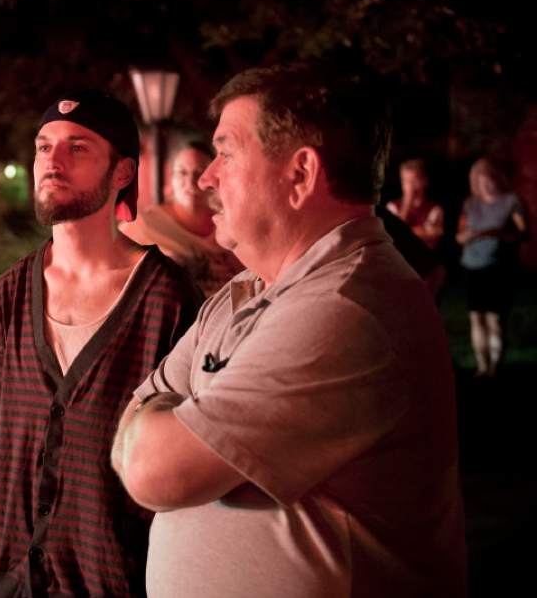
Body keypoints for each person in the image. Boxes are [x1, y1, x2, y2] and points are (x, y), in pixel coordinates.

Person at [111, 64, 466, 597]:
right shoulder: (247, 292)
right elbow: (131, 426)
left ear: (300, 174)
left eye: (226, 153)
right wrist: (161, 420)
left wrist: (167, 417)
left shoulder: (347, 307)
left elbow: (149, 470)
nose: (208, 177)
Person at [0, 90, 201, 598]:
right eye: (44, 146)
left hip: (116, 583)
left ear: (121, 173)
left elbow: (188, 467)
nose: (53, 161)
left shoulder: (167, 300)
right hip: (11, 585)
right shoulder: (9, 294)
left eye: (78, 147)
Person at [121, 142, 243, 296]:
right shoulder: (142, 226)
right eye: (182, 173)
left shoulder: (229, 224)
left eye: (199, 172)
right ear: (171, 179)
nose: (190, 182)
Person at [456, 157, 528, 377]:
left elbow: (523, 233)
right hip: (472, 266)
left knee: (494, 318)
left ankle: (495, 366)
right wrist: (466, 236)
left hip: (498, 268)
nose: (486, 184)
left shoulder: (511, 202)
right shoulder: (470, 204)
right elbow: (459, 236)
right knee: (476, 316)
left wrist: (498, 234)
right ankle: (482, 366)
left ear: (498, 179)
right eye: (480, 180)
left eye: (489, 179)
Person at [386, 158, 445, 249]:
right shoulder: (392, 206)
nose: (409, 186)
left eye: (414, 180)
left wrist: (405, 232)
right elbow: (394, 235)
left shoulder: (435, 209)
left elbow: (434, 238)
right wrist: (407, 202)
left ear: (425, 181)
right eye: (405, 181)